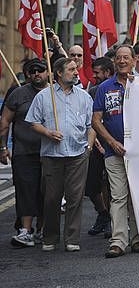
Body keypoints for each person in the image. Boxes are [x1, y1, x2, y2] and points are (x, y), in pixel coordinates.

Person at [26, 57, 93, 252]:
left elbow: (92, 125)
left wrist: (88, 146)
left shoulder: (84, 97)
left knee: (75, 197)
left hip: (78, 154)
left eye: (75, 69)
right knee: (51, 198)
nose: (75, 72)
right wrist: (47, 133)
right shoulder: (44, 97)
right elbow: (33, 122)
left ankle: (72, 239)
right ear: (59, 73)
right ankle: (50, 237)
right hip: (52, 155)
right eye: (71, 69)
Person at [92, 45, 139, 257]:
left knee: (137, 196)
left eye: (127, 57)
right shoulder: (105, 88)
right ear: (114, 62)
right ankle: (118, 241)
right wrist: (111, 142)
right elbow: (96, 121)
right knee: (118, 196)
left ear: (134, 60)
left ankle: (137, 239)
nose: (123, 61)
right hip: (114, 152)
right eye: (119, 58)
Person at [1, 59, 49, 247]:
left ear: (48, 72)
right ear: (27, 75)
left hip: (50, 153)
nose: (36, 73)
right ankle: (25, 231)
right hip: (24, 153)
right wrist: (3, 147)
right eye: (32, 71)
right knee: (25, 191)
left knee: (48, 193)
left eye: (40, 70)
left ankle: (43, 229)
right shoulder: (18, 94)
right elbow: (4, 121)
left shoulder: (55, 93)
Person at [86, 57, 114, 238]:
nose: (94, 76)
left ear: (107, 72)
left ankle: (114, 220)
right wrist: (93, 140)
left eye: (97, 73)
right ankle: (103, 213)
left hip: (114, 145)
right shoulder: (94, 91)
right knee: (91, 185)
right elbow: (90, 119)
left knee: (111, 185)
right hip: (96, 146)